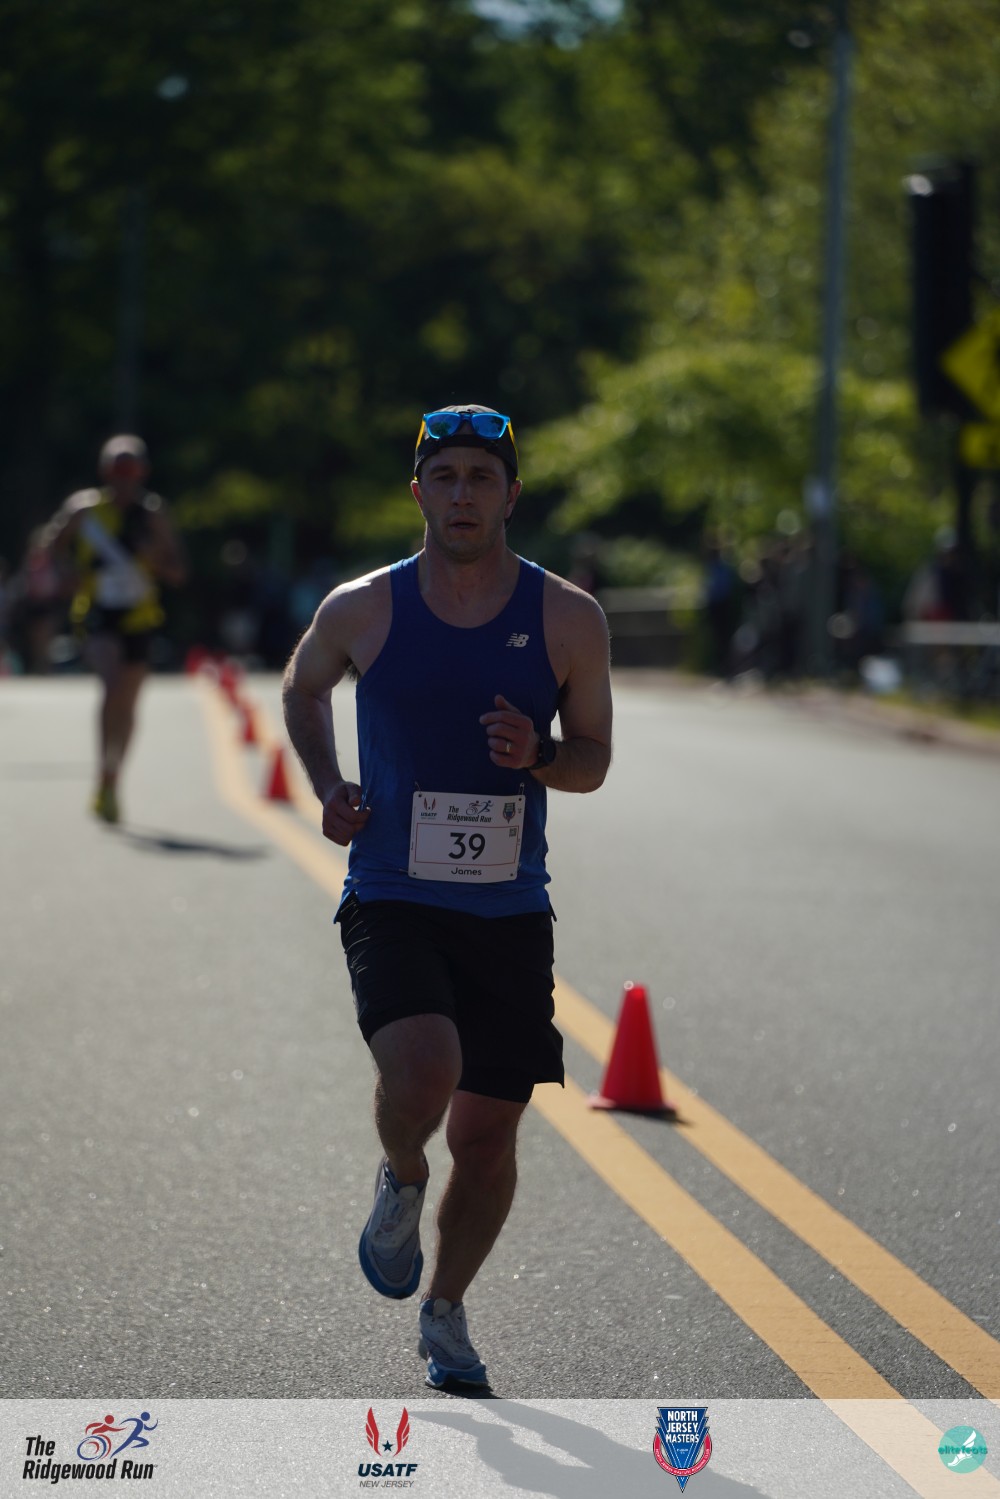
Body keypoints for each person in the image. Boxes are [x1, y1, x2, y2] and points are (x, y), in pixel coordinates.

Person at [282, 404, 612, 1389]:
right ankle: (401, 1176)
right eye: (445, 476)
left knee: (487, 1132)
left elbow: (593, 760)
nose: (462, 494)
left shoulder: (567, 617)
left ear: (511, 495)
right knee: (425, 1071)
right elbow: (303, 686)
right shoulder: (363, 607)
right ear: (417, 490)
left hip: (508, 906)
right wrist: (327, 782)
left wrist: (540, 753)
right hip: (393, 889)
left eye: (481, 477)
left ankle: (447, 1310)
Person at [43, 434, 186, 822]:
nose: (124, 478)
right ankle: (104, 772)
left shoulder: (153, 515)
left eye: (131, 469)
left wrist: (153, 559)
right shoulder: (84, 509)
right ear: (105, 472)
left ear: (143, 472)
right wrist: (65, 573)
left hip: (140, 616)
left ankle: (113, 776)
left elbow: (177, 572)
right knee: (111, 685)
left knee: (129, 700)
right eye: (117, 469)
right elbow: (52, 544)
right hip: (97, 611)